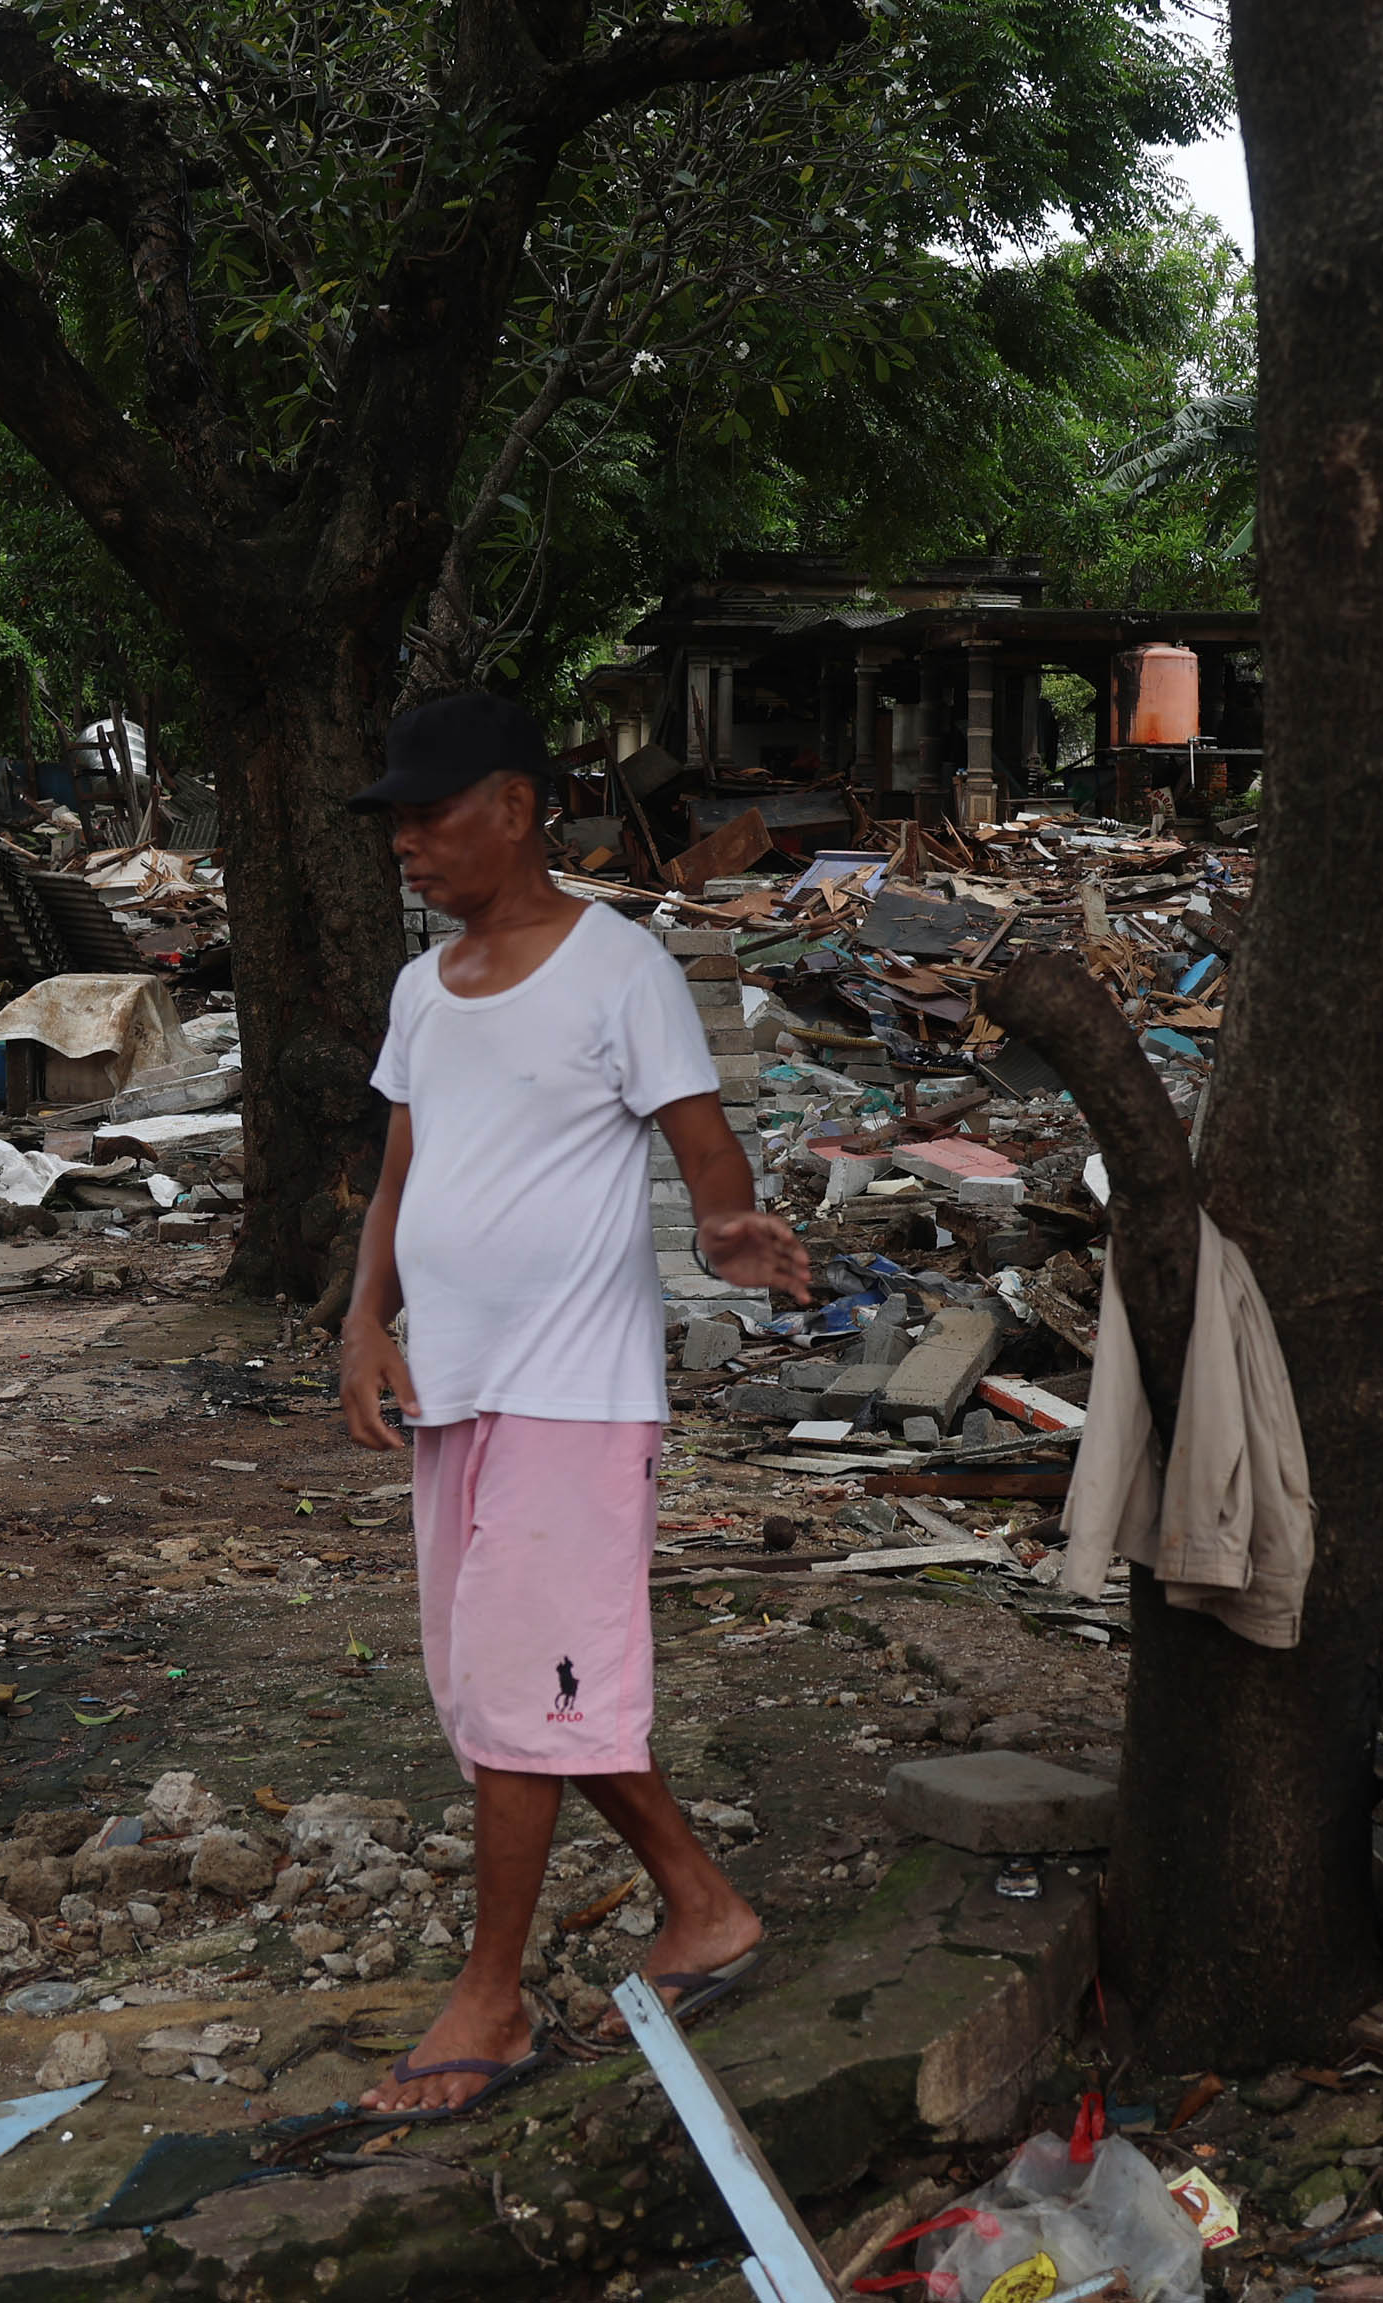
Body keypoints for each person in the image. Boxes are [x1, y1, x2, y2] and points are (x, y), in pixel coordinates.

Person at [339, 691, 811, 2119]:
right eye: (397, 823)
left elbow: (700, 1137)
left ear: (516, 802)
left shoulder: (618, 967)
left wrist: (727, 1226)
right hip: (456, 1388)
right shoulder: (423, 989)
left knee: (507, 1685)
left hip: (573, 1387)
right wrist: (364, 1317)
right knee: (515, 1688)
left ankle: (490, 1998)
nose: (408, 844)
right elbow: (398, 1171)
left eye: (430, 814)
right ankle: (702, 1905)